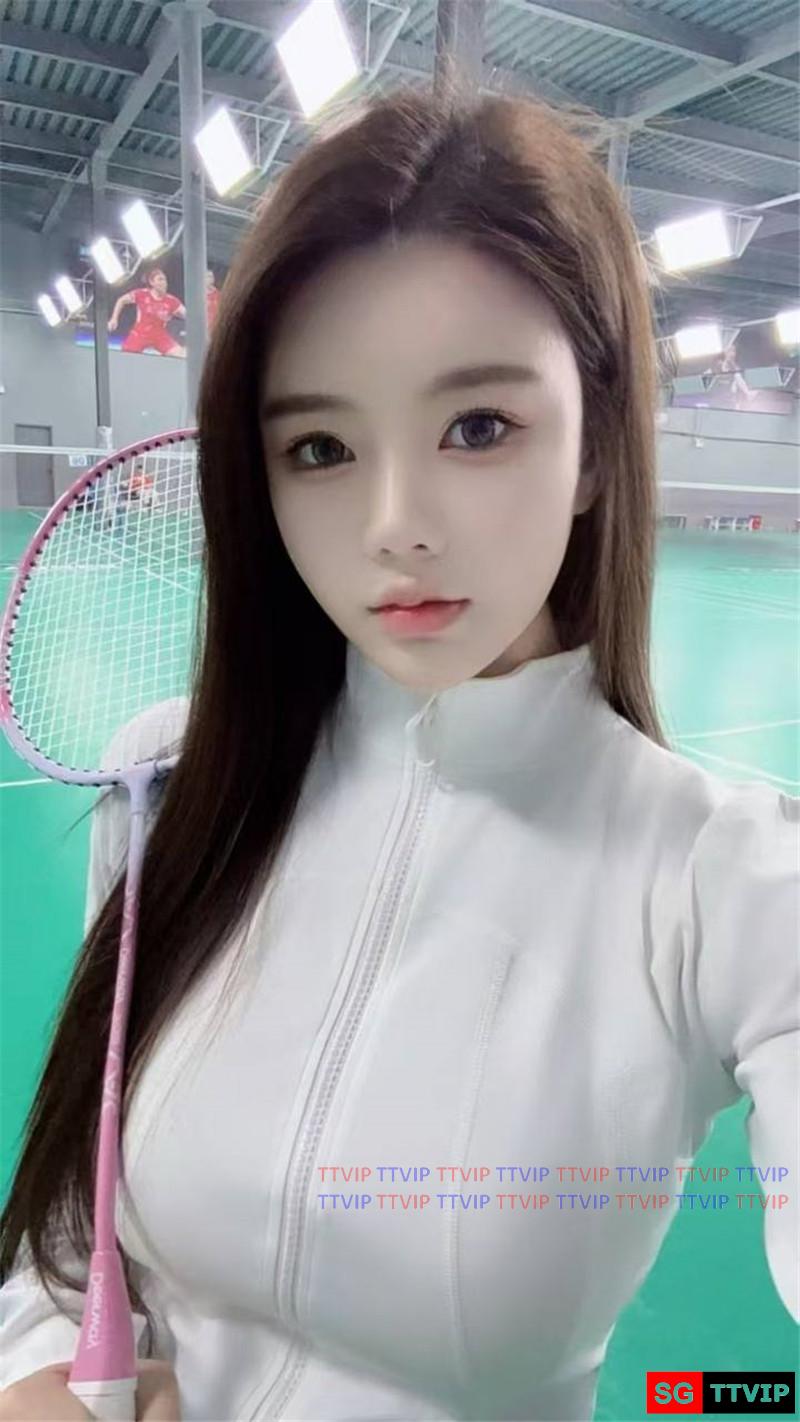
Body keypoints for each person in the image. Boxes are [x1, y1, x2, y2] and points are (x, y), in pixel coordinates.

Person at [1, 80, 797, 1422]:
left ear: (593, 446)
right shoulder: (169, 782)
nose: (393, 523)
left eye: (477, 427)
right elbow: (71, 1228)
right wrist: (27, 1368)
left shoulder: (723, 886)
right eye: (319, 445)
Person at [108, 268, 186, 358]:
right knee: (126, 357)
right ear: (152, 282)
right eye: (160, 279)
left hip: (159, 335)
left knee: (181, 355)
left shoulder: (171, 301)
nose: (164, 283)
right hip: (140, 333)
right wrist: (114, 319)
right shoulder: (141, 294)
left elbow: (188, 315)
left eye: (165, 280)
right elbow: (121, 300)